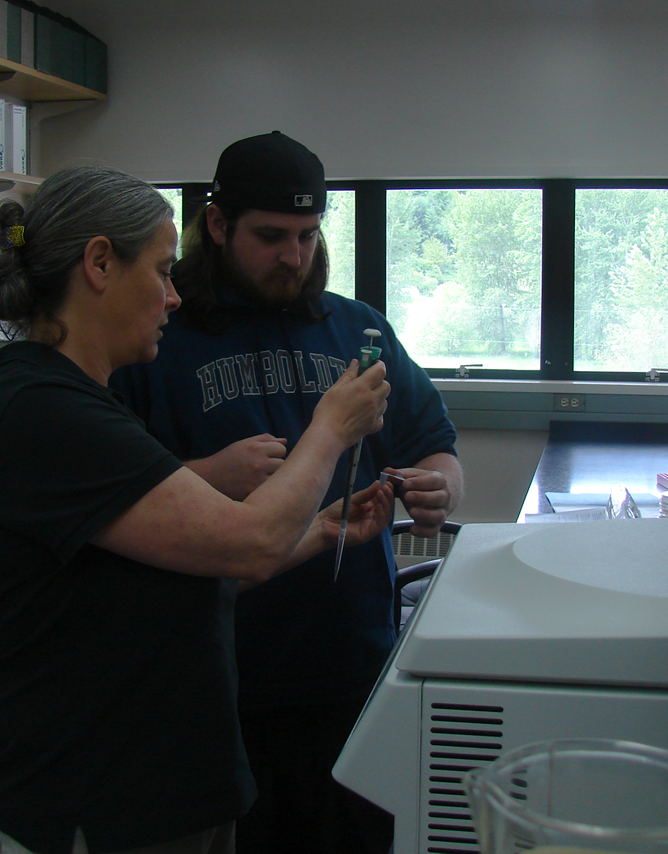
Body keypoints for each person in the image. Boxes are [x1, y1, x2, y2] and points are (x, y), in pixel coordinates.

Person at [0, 164, 393, 854]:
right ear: (99, 263)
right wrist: (332, 427)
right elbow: (248, 540)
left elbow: (170, 575)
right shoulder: (38, 412)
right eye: (161, 273)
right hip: (95, 803)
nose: (173, 298)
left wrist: (315, 534)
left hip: (168, 794)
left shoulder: (86, 405)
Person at [110, 132, 464, 854]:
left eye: (307, 236)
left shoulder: (356, 327)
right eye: (271, 236)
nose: (293, 257)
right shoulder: (158, 337)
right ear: (215, 226)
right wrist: (206, 471)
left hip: (352, 667)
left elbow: (434, 443)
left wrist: (437, 488)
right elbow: (121, 501)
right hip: (219, 681)